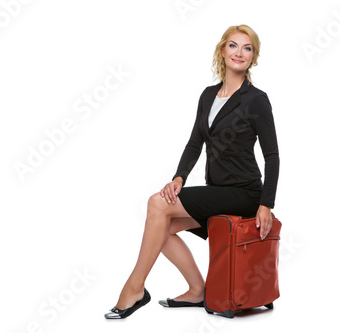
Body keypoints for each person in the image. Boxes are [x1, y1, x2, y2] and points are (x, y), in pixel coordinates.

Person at [104, 24, 280, 319]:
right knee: (160, 228)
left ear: (253, 57)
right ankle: (198, 289)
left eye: (247, 48)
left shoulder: (255, 100)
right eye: (233, 46)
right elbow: (195, 142)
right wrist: (178, 178)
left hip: (243, 193)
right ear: (222, 51)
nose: (239, 53)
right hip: (219, 190)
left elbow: (272, 156)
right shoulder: (208, 95)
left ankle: (134, 288)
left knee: (156, 204)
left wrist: (266, 203)